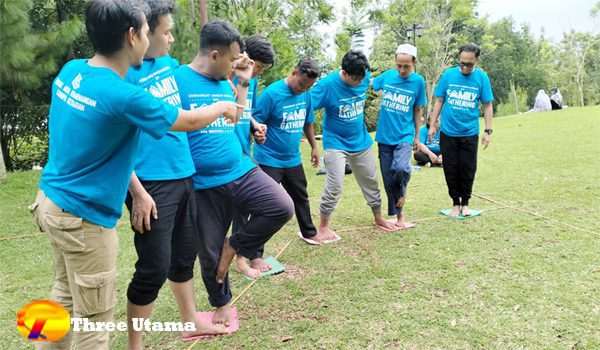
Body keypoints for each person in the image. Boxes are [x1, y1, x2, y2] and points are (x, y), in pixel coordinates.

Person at [29, 1, 239, 349]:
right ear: (132, 36)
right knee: (95, 324)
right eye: (147, 31)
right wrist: (222, 107)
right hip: (84, 220)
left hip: (51, 203)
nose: (153, 38)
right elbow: (185, 121)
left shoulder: (71, 72)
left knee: (64, 297)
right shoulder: (123, 96)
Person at [123, 1, 230, 348]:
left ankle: (190, 322)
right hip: (151, 184)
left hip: (185, 174)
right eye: (165, 32)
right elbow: (113, 144)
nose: (170, 39)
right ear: (140, 34)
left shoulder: (166, 64)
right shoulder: (124, 76)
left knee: (184, 256)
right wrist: (137, 192)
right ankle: (135, 344)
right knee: (153, 267)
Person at [174, 20, 294, 327]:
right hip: (202, 183)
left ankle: (236, 245)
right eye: (232, 59)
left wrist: (242, 83)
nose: (235, 66)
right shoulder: (177, 81)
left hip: (240, 168)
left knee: (281, 207)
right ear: (215, 54)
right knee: (210, 252)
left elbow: (235, 119)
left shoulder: (224, 82)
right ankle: (222, 304)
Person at [311, 50, 398, 239]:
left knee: (371, 181)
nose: (360, 81)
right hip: (335, 142)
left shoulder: (364, 76)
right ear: (344, 72)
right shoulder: (326, 85)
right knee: (335, 185)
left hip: (361, 141)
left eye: (362, 77)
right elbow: (307, 106)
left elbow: (383, 80)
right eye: (356, 78)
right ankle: (324, 226)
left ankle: (378, 218)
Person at [252, 58, 336, 251]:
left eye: (308, 87)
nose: (302, 89)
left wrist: (314, 146)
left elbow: (308, 121)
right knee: (266, 204)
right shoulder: (272, 94)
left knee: (301, 196)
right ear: (294, 72)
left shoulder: (306, 95)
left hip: (292, 158)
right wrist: (257, 134)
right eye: (301, 84)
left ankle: (309, 232)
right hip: (269, 158)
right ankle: (256, 250)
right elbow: (255, 121)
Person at [428, 43, 494, 217]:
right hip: (448, 132)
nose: (465, 67)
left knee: (468, 168)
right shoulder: (449, 75)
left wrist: (488, 131)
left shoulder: (481, 78)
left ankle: (465, 203)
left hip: (469, 132)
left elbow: (487, 105)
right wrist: (433, 124)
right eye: (462, 63)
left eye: (469, 64)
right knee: (450, 168)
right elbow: (439, 101)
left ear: (476, 61)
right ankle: (455, 203)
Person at [231, 35, 275, 275]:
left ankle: (242, 256)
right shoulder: (225, 78)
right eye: (257, 66)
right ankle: (236, 256)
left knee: (246, 207)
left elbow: (244, 111)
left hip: (243, 152)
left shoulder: (252, 82)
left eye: (261, 69)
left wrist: (255, 126)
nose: (257, 73)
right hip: (225, 155)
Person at [372, 43, 426, 228]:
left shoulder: (418, 82)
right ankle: (399, 217)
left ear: (414, 63)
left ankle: (402, 195)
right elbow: (370, 84)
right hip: (384, 136)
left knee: (402, 168)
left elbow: (417, 109)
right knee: (388, 179)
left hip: (404, 134)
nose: (402, 70)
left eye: (406, 66)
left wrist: (417, 136)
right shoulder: (387, 76)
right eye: (399, 65)